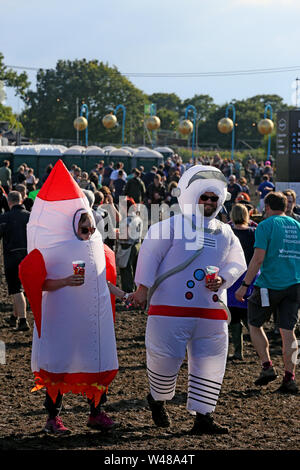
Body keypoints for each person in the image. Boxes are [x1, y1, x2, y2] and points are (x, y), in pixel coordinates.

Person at [132, 165, 247, 435]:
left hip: (211, 310)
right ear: (192, 197)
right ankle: (157, 398)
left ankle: (204, 417)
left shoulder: (225, 232)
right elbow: (149, 256)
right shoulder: (168, 226)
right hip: (169, 309)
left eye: (213, 198)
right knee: (165, 360)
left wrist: (224, 280)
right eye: (203, 197)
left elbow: (237, 262)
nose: (208, 202)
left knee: (211, 362)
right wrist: (141, 289)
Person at [19, 160, 130, 434]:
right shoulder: (56, 250)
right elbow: (40, 283)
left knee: (98, 360)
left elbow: (102, 281)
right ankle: (52, 419)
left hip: (93, 320)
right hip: (63, 319)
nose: (89, 230)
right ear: (72, 225)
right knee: (59, 363)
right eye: (84, 226)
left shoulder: (97, 248)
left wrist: (123, 294)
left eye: (91, 226)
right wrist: (67, 281)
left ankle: (96, 413)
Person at [235, 192, 300, 394]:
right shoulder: (297, 225)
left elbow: (258, 259)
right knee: (288, 332)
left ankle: (267, 367)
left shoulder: (265, 225)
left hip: (269, 285)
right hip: (294, 284)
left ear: (268, 207)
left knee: (254, 323)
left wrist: (245, 285)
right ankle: (290, 377)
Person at [227, 204, 256, 360]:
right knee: (249, 315)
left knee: (234, 316)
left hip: (233, 277)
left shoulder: (228, 232)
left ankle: (239, 351)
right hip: (250, 277)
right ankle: (259, 348)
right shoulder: (254, 233)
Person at [0, 191, 30, 330]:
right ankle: (14, 317)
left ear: (9, 202)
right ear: (22, 200)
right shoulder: (30, 216)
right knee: (16, 290)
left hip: (12, 257)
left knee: (16, 289)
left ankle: (23, 321)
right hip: (28, 256)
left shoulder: (4, 217)